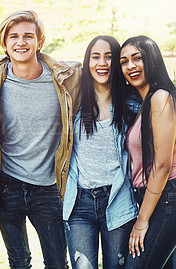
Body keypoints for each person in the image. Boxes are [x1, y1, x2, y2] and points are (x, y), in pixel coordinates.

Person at [0, 10, 81, 268]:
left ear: (39, 42)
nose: (21, 42)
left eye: (28, 36)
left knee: (56, 262)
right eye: (14, 37)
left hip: (48, 187)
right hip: (7, 185)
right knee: (18, 262)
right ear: (5, 43)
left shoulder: (63, 77)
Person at [62, 36, 138, 269]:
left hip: (118, 200)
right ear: (87, 62)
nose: (102, 63)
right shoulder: (74, 100)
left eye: (109, 57)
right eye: (95, 57)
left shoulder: (131, 103)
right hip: (80, 203)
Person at [119, 36, 176, 269]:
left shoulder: (161, 98)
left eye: (137, 58)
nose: (130, 66)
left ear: (152, 60)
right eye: (124, 61)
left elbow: (162, 165)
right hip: (151, 196)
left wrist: (142, 220)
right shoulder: (145, 102)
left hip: (166, 198)